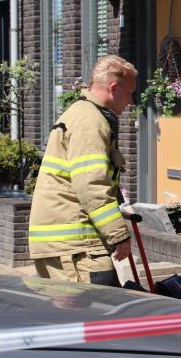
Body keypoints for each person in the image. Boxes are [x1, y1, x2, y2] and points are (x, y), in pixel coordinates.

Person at [28, 55, 137, 286]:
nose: (131, 100)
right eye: (129, 93)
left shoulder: (82, 113)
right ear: (114, 88)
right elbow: (92, 185)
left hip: (68, 243)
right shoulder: (90, 122)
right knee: (99, 313)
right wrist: (118, 234)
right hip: (77, 245)